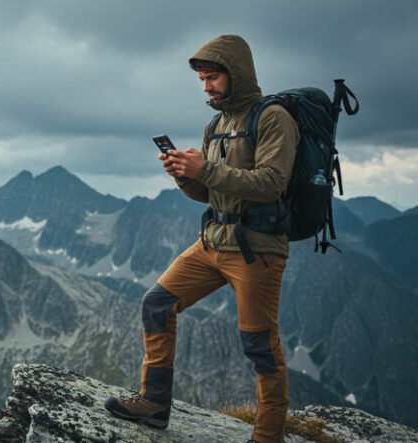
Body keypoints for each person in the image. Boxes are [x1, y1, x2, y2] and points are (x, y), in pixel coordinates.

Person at [104, 34, 299, 443]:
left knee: (259, 344)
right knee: (157, 304)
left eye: (213, 77)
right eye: (202, 79)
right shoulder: (216, 123)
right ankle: (154, 404)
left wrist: (204, 169)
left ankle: (268, 437)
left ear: (237, 74)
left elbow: (271, 183)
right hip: (212, 241)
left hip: (256, 248)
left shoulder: (273, 118)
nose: (206, 86)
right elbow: (211, 193)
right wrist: (184, 175)